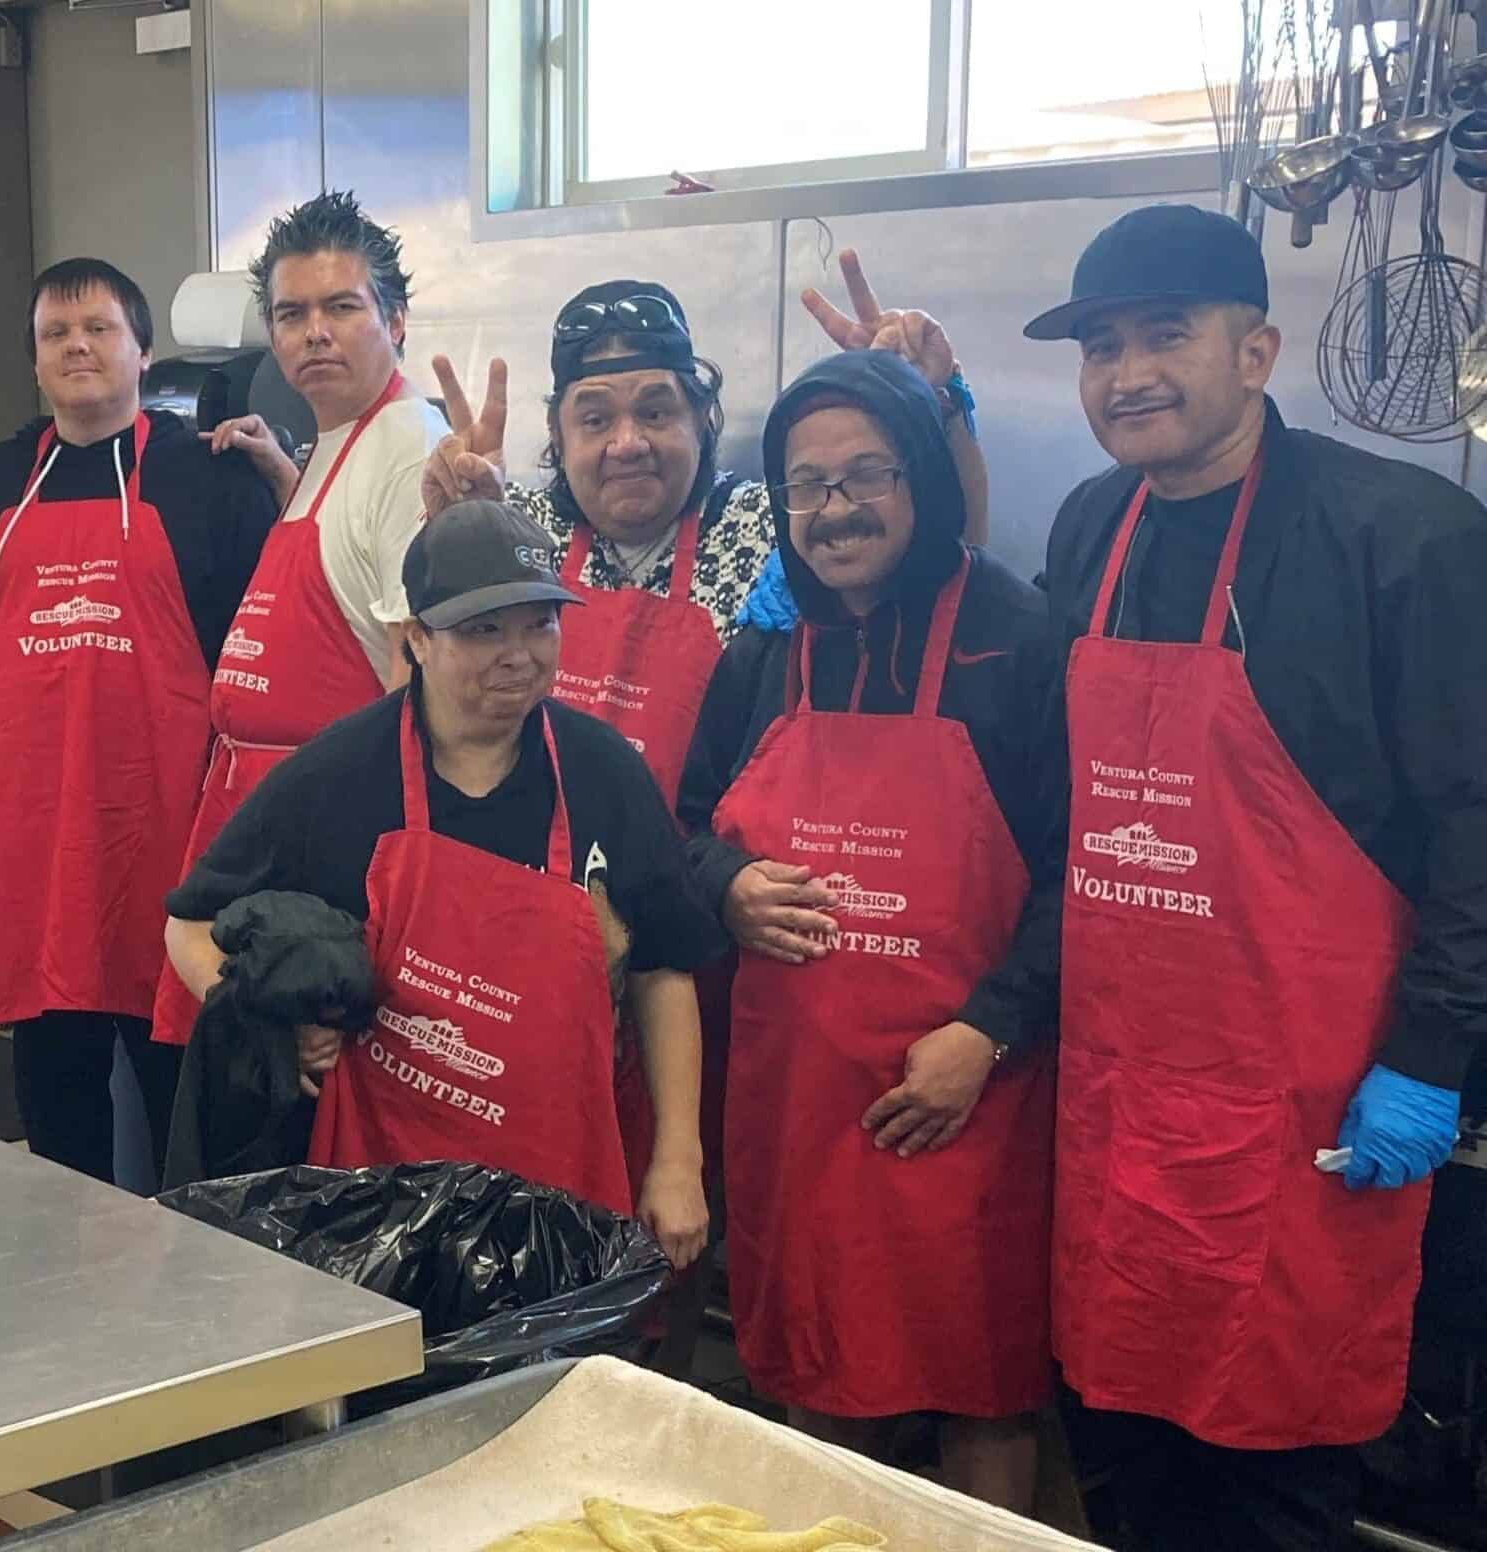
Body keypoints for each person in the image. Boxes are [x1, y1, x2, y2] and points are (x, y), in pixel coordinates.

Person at [1029, 203, 1487, 1550]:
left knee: (1279, 1474)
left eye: (1164, 334)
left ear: (1259, 347)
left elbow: (1478, 823)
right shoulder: (1091, 527)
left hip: (1315, 1107)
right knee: (1125, 1448)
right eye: (1101, 346)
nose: (1128, 374)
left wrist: (1432, 1053)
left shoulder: (1403, 537)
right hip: (1121, 1092)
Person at [674, 350, 1064, 1513]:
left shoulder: (1016, 638)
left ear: (922, 484)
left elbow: (1084, 870)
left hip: (968, 1095)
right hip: (796, 1103)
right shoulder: (766, 646)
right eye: (806, 485)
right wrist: (729, 885)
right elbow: (682, 829)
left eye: (865, 475)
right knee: (810, 1360)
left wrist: (986, 1033)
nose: (834, 511)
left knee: (979, 1380)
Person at [164, 499, 721, 1265]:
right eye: (483, 630)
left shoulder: (604, 772)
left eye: (539, 624)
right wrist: (268, 1027)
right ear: (416, 639)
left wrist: (677, 1161)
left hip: (553, 1178)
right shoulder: (336, 773)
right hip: (372, 1195)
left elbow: (664, 969)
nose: (519, 655)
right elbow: (188, 922)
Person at [0, 258, 280, 1183]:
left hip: (170, 833)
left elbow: (258, 662)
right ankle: (65, 1259)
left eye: (99, 329)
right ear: (32, 361)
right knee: (53, 1068)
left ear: (142, 351)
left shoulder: (208, 480)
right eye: (55, 333)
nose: (78, 347)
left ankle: (188, 1271)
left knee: (173, 1067)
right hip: (30, 836)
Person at [420, 255, 989, 796]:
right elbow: (431, 709)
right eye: (595, 419)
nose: (628, 443)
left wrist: (923, 406)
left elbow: (946, 560)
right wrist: (464, 545)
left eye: (655, 412)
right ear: (557, 433)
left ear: (701, 416)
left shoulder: (774, 524)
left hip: (713, 875)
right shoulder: (520, 531)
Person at [150, 190, 452, 1048]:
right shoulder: (332, 444)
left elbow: (416, 688)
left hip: (329, 861)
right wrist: (286, 479)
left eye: (341, 307)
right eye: (291, 314)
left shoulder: (404, 446)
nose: (314, 332)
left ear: (395, 317)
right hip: (264, 831)